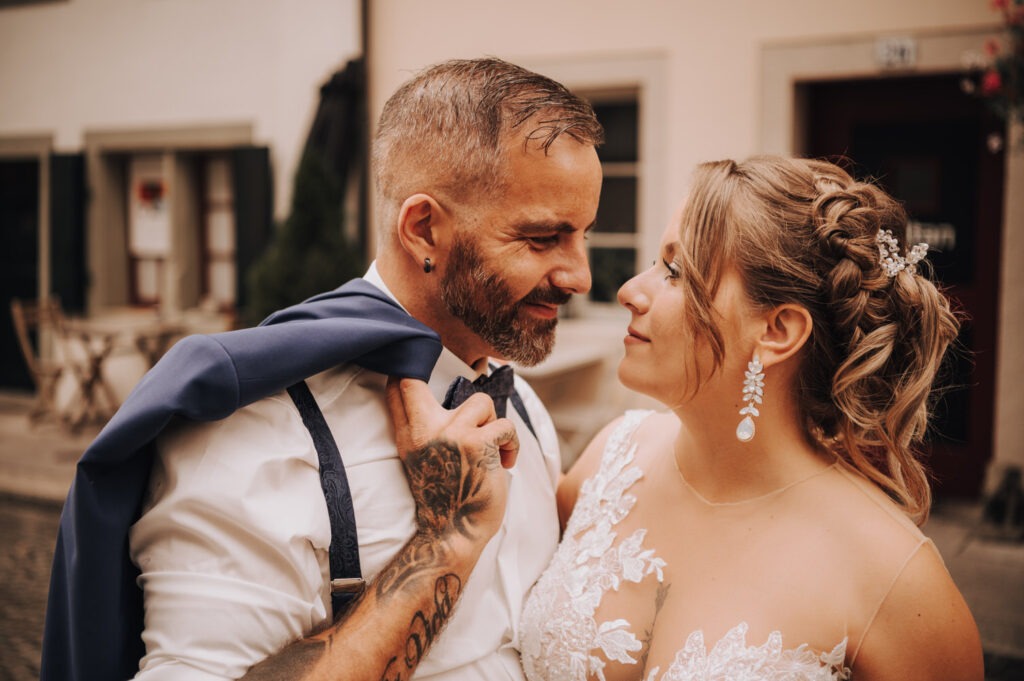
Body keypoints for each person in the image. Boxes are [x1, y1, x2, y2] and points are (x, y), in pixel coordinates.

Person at [41, 57, 603, 680]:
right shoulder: (255, 437)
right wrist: (446, 542)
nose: (579, 275)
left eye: (584, 234)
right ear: (423, 229)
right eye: (542, 238)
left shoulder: (524, 406)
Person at [511, 156, 984, 680]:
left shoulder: (896, 581)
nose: (628, 291)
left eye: (676, 272)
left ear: (778, 330)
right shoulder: (611, 461)